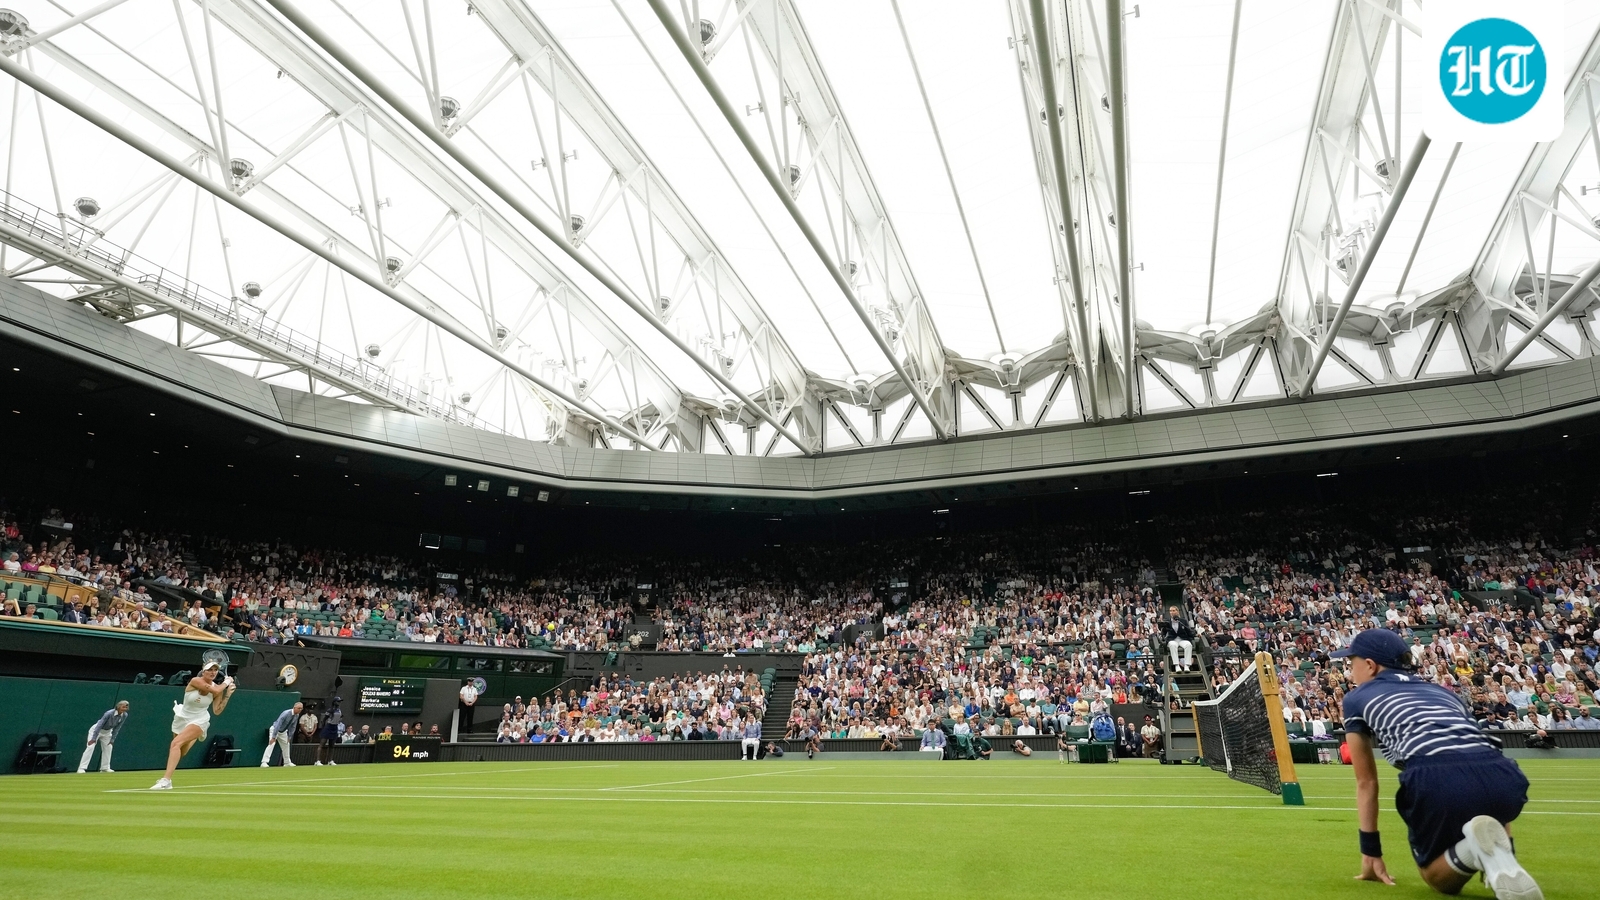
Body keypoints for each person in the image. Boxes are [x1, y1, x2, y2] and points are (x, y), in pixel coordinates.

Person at [1334, 629, 1541, 900]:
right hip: (1503, 772)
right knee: (1488, 795)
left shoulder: (1355, 699)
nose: (1351, 672)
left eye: (1352, 664)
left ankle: (1476, 852)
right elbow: (1478, 746)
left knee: (1437, 879)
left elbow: (1366, 781)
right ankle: (1503, 859)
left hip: (1434, 774)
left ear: (1370, 665)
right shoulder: (1443, 693)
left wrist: (1370, 851)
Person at [150, 659, 235, 790]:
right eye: (210, 670)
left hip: (199, 719)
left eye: (215, 670)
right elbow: (216, 690)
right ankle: (193, 737)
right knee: (181, 751)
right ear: (203, 671)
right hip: (182, 717)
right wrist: (226, 682)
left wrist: (228, 694)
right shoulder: (196, 681)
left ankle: (166, 781)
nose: (213, 672)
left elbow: (217, 711)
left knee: (175, 744)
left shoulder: (218, 689)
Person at [78, 700, 129, 773]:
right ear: (118, 707)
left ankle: (105, 768)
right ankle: (81, 768)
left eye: (126, 707)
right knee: (90, 747)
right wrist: (94, 738)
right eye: (123, 707)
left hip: (108, 732)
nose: (124, 708)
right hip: (96, 730)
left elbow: (117, 728)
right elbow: (99, 725)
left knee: (109, 747)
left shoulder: (125, 715)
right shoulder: (109, 713)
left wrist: (112, 740)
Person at [261, 701, 302, 767]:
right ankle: (264, 762)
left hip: (283, 732)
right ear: (294, 707)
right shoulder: (286, 713)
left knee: (286, 745)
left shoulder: (297, 715)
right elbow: (278, 724)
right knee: (271, 744)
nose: (300, 710)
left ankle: (287, 762)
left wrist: (289, 737)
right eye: (299, 708)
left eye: (301, 709)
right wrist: (274, 737)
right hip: (275, 729)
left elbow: (293, 726)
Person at [1162, 605, 1196, 671]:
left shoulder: (1183, 621)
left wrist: (1193, 636)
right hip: (1172, 639)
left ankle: (1187, 665)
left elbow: (1188, 630)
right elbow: (1163, 632)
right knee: (1172, 645)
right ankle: (1177, 665)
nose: (1172, 612)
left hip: (1182, 639)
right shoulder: (1167, 621)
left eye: (1173, 610)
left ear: (1177, 611)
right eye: (1170, 611)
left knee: (1188, 645)